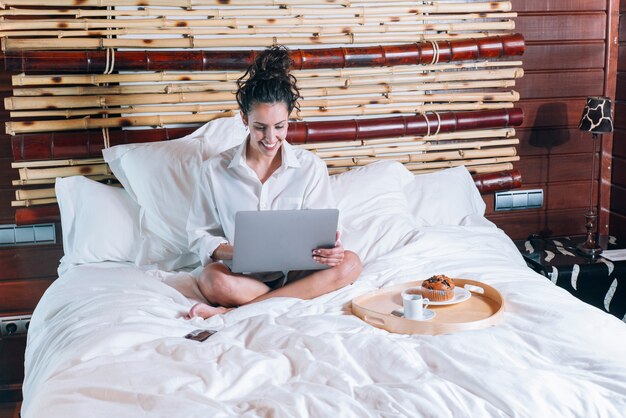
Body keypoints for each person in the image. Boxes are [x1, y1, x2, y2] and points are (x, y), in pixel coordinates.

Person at [186, 46, 362, 319]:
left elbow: (326, 232)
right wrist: (238, 252)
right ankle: (284, 301)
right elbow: (199, 235)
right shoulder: (214, 170)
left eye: (280, 126)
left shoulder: (310, 167)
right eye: (260, 127)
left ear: (289, 120)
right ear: (244, 119)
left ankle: (231, 313)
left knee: (350, 264)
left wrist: (332, 253)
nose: (271, 138)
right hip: (243, 278)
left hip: (298, 275)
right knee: (212, 280)